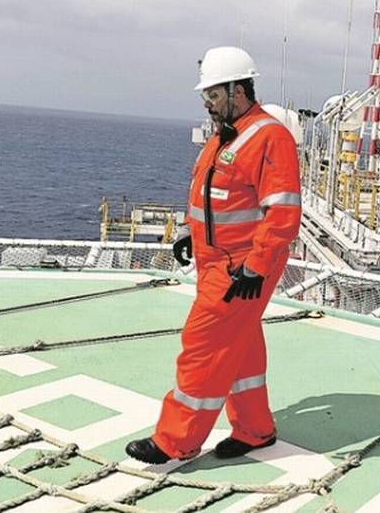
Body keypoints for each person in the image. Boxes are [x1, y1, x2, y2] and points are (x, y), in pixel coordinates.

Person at [125, 46, 302, 463]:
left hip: (241, 264)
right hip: (215, 258)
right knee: (239, 344)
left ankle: (175, 441)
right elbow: (211, 193)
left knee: (202, 344)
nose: (207, 103)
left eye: (213, 95)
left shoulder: (268, 137)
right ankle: (255, 429)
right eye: (204, 96)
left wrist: (256, 267)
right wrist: (191, 232)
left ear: (238, 90)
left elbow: (283, 212)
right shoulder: (226, 136)